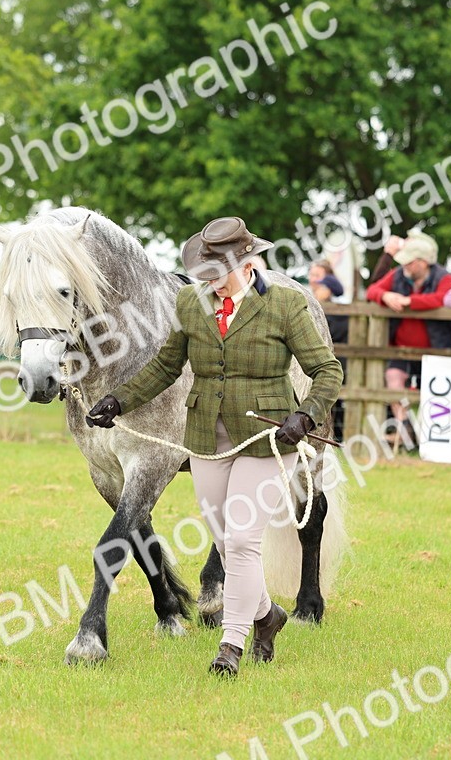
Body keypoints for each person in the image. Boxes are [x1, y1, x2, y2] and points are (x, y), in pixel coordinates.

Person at [84, 216, 343, 677]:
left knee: (242, 539)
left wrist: (306, 415)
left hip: (265, 438)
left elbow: (328, 370)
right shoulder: (191, 302)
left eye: (216, 273)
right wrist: (117, 400)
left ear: (247, 265)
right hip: (206, 437)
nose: (209, 283)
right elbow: (165, 367)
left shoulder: (285, 305)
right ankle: (268, 616)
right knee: (226, 542)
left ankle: (232, 644)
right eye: (204, 272)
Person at [365, 229, 451, 430]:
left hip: (436, 348)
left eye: (409, 261)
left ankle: (432, 432)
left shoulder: (444, 277)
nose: (404, 265)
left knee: (435, 390)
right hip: (401, 347)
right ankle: (404, 425)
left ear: (423, 262)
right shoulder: (398, 274)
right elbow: (372, 290)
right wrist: (386, 296)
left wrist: (410, 301)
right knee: (393, 377)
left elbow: (444, 298)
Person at [308, 260, 349, 442]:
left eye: (318, 276)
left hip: (333, 363)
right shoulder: (304, 301)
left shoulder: (338, 311)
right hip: (308, 363)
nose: (313, 280)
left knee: (335, 400)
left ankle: (336, 436)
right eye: (311, 275)